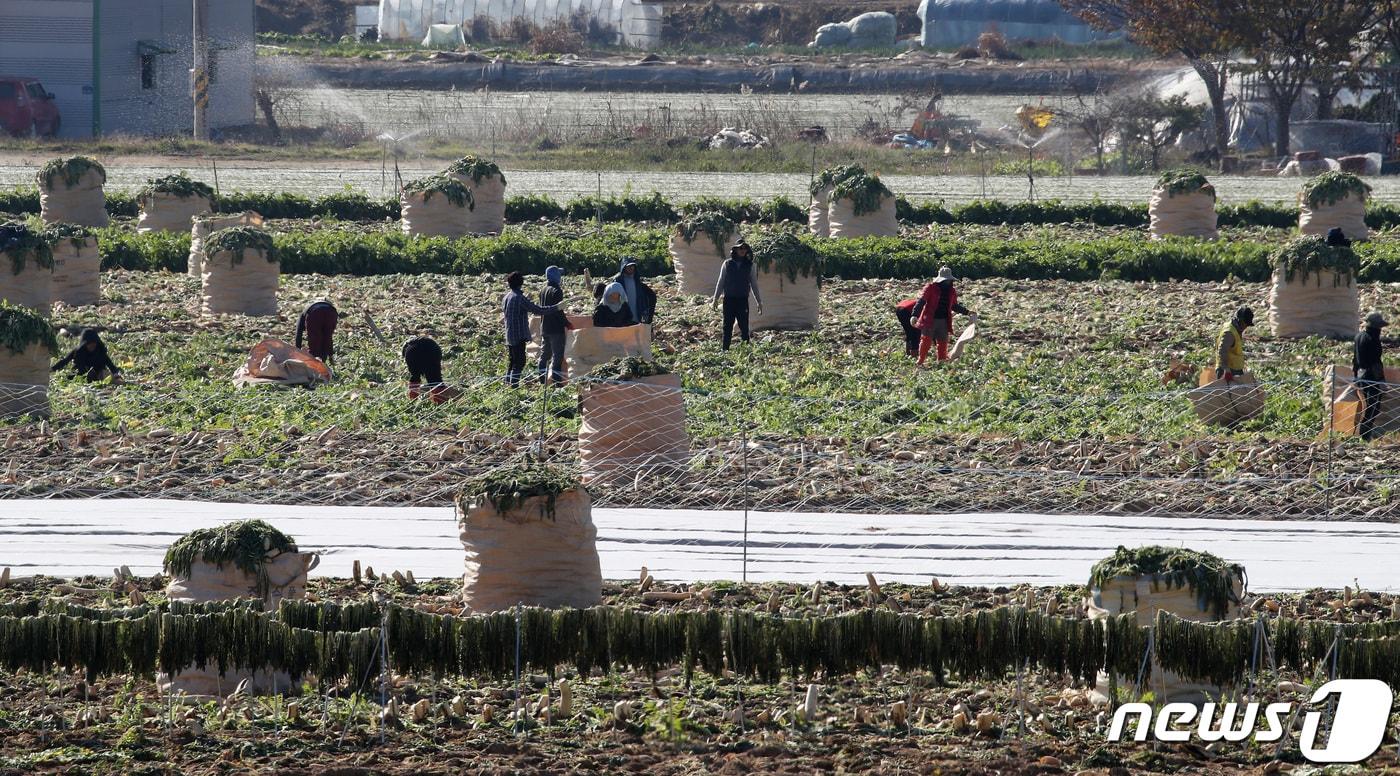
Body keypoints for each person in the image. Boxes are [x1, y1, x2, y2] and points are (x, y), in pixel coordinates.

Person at [502, 271, 559, 388]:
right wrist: (556, 307)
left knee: (512, 360)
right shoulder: (519, 298)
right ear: (520, 283)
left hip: (509, 333)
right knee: (520, 362)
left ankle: (507, 383)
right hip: (518, 334)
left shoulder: (507, 297)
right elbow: (538, 310)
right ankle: (514, 386)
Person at [914, 266, 973, 366]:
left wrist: (967, 312)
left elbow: (954, 305)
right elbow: (921, 301)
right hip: (930, 319)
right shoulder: (931, 288)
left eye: (949, 281)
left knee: (943, 342)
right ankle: (920, 361)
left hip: (944, 320)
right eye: (946, 280)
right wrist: (914, 314)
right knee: (926, 341)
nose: (947, 282)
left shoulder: (951, 291)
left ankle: (941, 362)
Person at [711, 240, 763, 350]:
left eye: (744, 249)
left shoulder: (750, 265)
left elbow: (754, 284)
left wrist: (759, 302)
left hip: (742, 300)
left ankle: (746, 350)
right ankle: (725, 350)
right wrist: (715, 299)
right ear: (735, 250)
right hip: (729, 299)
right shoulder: (727, 264)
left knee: (744, 326)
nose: (743, 251)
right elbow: (721, 281)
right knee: (727, 326)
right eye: (740, 248)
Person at [1354, 310, 1389, 441]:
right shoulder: (1372, 339)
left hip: (1361, 375)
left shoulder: (1359, 336)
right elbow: (1375, 362)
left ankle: (1364, 434)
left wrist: (1355, 376)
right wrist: (1381, 380)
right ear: (1376, 326)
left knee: (1368, 406)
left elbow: (1355, 360)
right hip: (1371, 377)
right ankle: (1365, 435)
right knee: (1373, 407)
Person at [51, 328, 121, 383]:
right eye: (89, 344)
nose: (92, 347)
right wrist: (52, 369)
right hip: (80, 375)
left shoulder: (100, 352)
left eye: (94, 345)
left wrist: (116, 374)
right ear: (85, 344)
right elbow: (65, 361)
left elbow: (110, 365)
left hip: (98, 375)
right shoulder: (78, 352)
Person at [537, 266, 569, 385]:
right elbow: (558, 311)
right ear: (556, 276)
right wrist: (567, 323)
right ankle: (557, 383)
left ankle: (541, 380)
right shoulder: (557, 290)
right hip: (556, 328)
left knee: (544, 355)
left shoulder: (542, 290)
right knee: (557, 356)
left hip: (544, 327)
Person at [402, 335, 452, 403]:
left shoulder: (408, 346)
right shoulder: (422, 342)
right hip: (433, 349)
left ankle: (413, 401)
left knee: (415, 376)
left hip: (413, 352)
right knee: (435, 380)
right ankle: (440, 403)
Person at [1214, 306, 1254, 382]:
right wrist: (1226, 369)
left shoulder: (1236, 329)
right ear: (1239, 320)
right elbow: (1222, 351)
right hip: (1229, 371)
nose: (1245, 327)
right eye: (1245, 324)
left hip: (1235, 369)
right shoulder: (1229, 333)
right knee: (1227, 393)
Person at [613, 258, 656, 325]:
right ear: (624, 267)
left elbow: (650, 297)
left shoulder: (637, 281)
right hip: (622, 318)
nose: (631, 268)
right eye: (629, 266)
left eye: (632, 266)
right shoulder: (618, 281)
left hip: (637, 316)